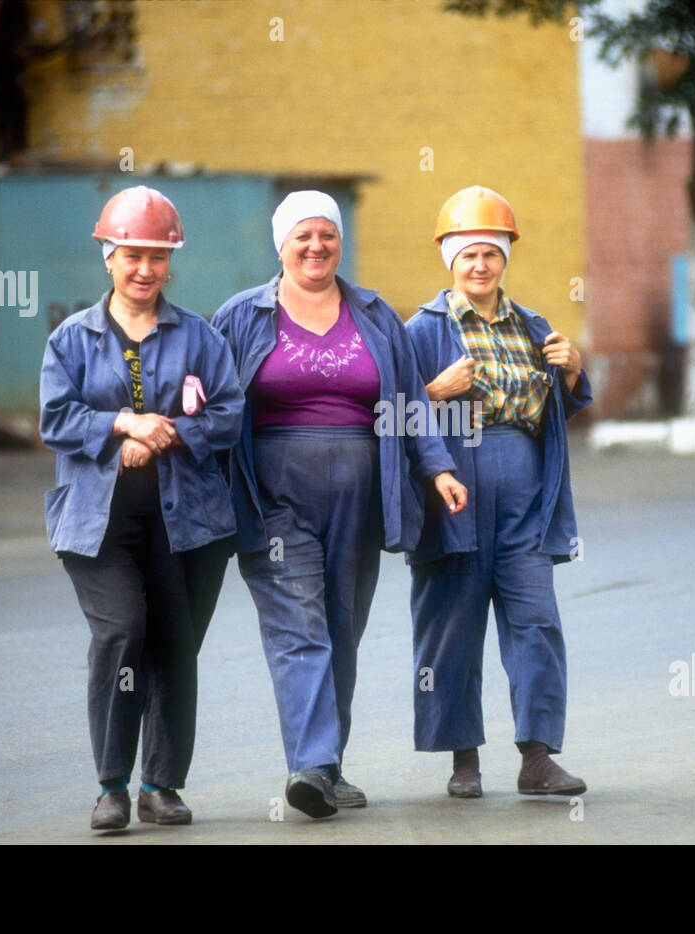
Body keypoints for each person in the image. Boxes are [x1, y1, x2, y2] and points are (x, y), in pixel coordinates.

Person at [212, 190, 467, 818]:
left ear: (339, 242)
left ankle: (328, 763)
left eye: (327, 234)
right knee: (299, 626)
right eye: (303, 236)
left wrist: (437, 469)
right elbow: (214, 401)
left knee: (340, 629)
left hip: (364, 494)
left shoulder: (375, 315)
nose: (316, 246)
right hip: (272, 497)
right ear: (281, 244)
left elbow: (409, 403)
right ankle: (312, 765)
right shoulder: (243, 315)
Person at [39, 186, 244, 831]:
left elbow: (230, 412)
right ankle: (110, 785)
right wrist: (123, 426)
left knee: (175, 648)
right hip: (97, 523)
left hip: (190, 523)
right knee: (123, 630)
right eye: (132, 254)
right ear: (109, 256)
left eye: (157, 256)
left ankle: (161, 784)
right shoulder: (72, 339)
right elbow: (56, 417)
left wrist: (170, 434)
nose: (144, 268)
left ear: (169, 261)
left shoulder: (201, 338)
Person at [404, 185, 592, 799]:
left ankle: (537, 758)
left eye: (491, 253)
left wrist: (571, 371)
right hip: (451, 490)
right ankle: (463, 761)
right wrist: (434, 393)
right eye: (468, 255)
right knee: (452, 626)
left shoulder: (533, 326)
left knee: (536, 622)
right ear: (449, 261)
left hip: (525, 496)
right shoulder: (420, 333)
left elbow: (559, 410)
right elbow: (389, 416)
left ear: (505, 257)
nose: (480, 265)